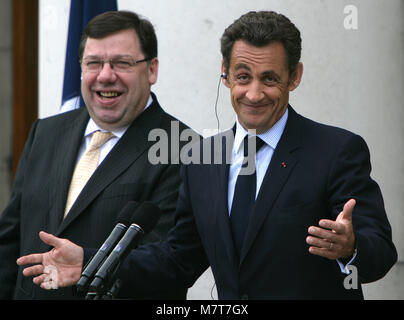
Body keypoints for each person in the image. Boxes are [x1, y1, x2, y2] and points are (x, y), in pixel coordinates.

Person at [17, 11, 397, 299]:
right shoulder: (202, 158)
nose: (253, 94)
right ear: (225, 74)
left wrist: (351, 247)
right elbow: (178, 260)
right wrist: (91, 259)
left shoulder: (336, 151)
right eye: (243, 76)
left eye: (270, 79)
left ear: (294, 77)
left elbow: (380, 253)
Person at [0, 11, 195, 299]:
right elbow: (10, 242)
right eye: (93, 63)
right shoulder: (45, 133)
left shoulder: (183, 147)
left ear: (152, 70)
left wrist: (90, 263)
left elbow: (170, 263)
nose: (105, 75)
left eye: (121, 63)